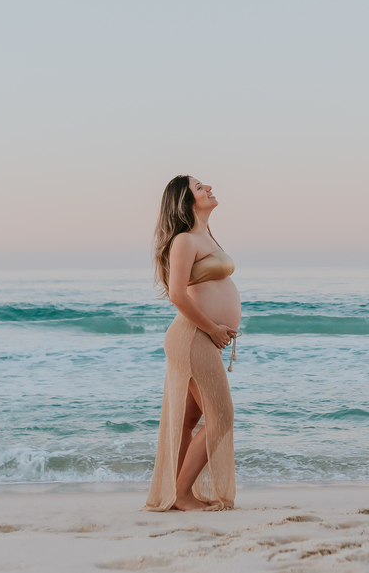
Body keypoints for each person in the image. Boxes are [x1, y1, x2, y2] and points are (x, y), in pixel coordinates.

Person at [145, 175, 240, 512]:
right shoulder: (184, 241)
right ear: (186, 202)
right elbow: (177, 294)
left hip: (201, 338)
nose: (209, 188)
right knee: (221, 416)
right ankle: (183, 494)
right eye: (200, 188)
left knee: (188, 420)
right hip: (193, 337)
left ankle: (175, 495)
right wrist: (213, 329)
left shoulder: (205, 235)